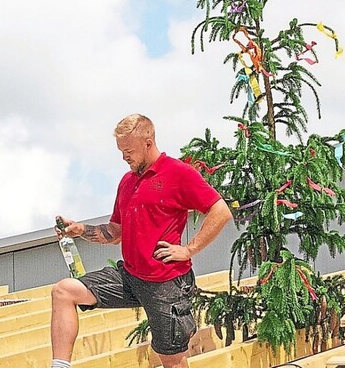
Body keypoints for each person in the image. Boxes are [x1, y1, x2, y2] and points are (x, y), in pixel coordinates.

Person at [49, 114, 231, 368]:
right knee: (64, 291)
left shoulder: (178, 173)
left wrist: (190, 249)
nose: (125, 157)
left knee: (171, 358)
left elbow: (220, 210)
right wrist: (80, 230)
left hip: (166, 283)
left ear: (148, 143)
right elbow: (115, 231)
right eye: (121, 151)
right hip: (131, 277)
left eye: (129, 150)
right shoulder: (127, 181)